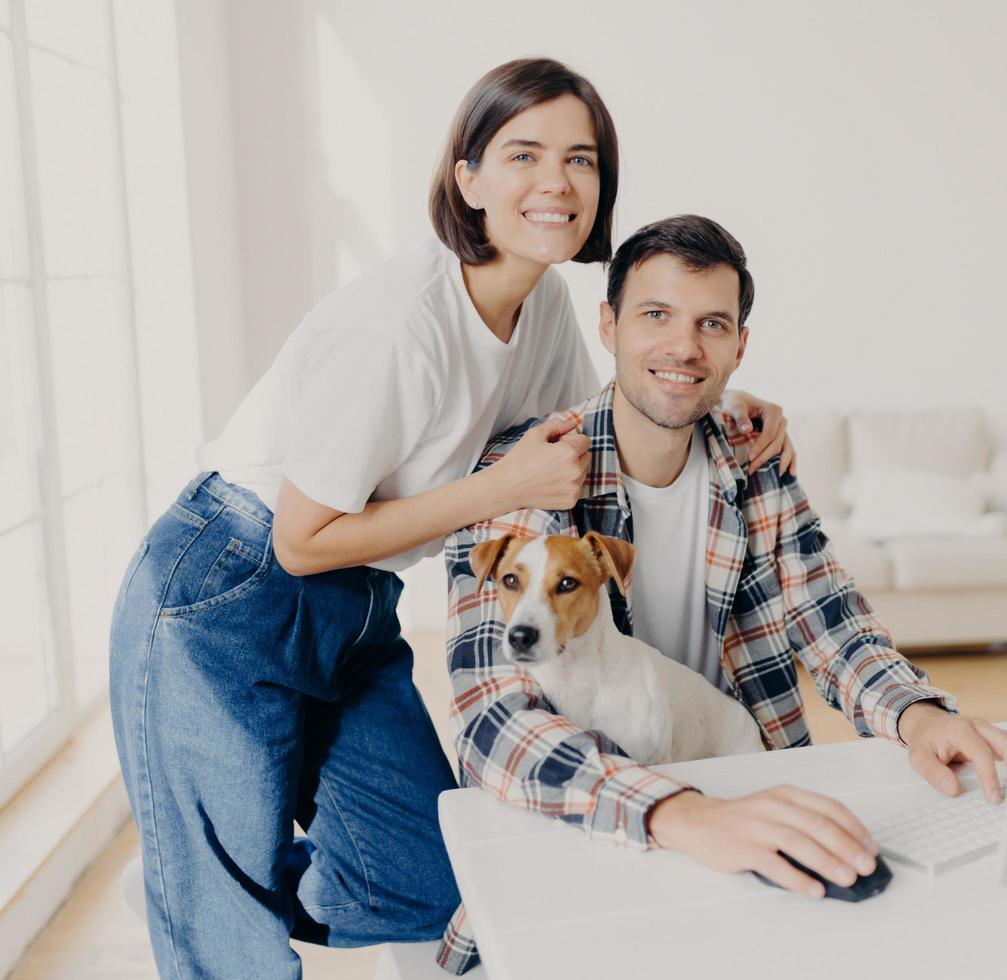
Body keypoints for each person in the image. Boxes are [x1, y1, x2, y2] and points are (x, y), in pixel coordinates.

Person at [108, 60, 793, 980]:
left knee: (434, 882)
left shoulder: (543, 307)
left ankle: (202, 879)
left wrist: (713, 392)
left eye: (581, 160)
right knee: (231, 947)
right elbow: (299, 541)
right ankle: (201, 891)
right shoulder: (402, 326)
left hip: (355, 598)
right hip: (225, 587)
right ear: (466, 178)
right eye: (523, 154)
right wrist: (493, 489)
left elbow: (594, 431)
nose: (555, 182)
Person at [435, 214, 1007, 973]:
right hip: (586, 821)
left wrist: (917, 714)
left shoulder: (755, 459)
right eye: (656, 316)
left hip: (748, 796)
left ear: (740, 346)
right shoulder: (526, 471)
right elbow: (491, 723)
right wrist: (675, 812)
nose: (683, 347)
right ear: (607, 325)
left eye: (712, 323)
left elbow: (829, 622)